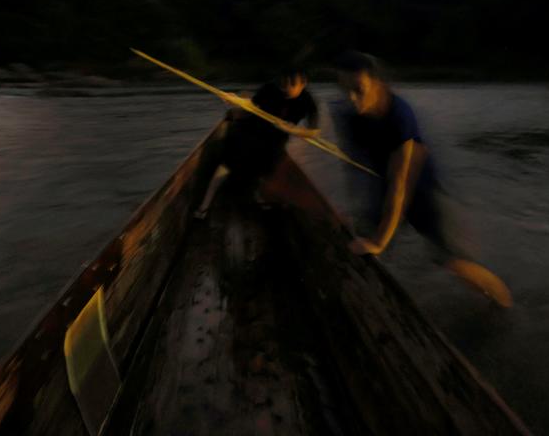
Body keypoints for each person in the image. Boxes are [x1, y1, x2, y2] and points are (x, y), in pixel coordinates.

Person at [333, 51, 511, 307]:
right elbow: (355, 168)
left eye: (359, 89)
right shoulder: (350, 117)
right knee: (360, 241)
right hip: (384, 187)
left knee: (450, 261)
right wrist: (354, 211)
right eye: (344, 90)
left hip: (419, 190)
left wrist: (380, 241)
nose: (351, 99)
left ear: (378, 83)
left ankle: (503, 304)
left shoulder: (400, 116)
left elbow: (401, 186)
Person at [193, 68, 320, 218]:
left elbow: (313, 132)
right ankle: (205, 204)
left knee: (268, 167)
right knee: (227, 164)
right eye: (283, 83)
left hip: (276, 140)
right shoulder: (270, 88)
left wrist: (293, 130)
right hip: (252, 130)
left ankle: (256, 192)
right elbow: (252, 105)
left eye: (292, 84)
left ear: (303, 83)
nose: (286, 88)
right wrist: (236, 100)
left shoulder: (308, 101)